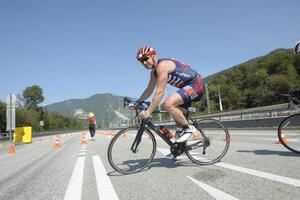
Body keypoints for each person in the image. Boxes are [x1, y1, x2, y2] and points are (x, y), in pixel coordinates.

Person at [134, 45, 204, 143]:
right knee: (179, 125)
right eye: (141, 61)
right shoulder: (153, 73)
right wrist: (137, 102)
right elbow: (149, 90)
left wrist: (148, 112)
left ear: (154, 56)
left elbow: (159, 93)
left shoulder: (162, 66)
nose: (144, 62)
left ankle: (189, 128)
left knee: (167, 104)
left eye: (146, 58)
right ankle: (178, 149)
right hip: (185, 88)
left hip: (195, 84)